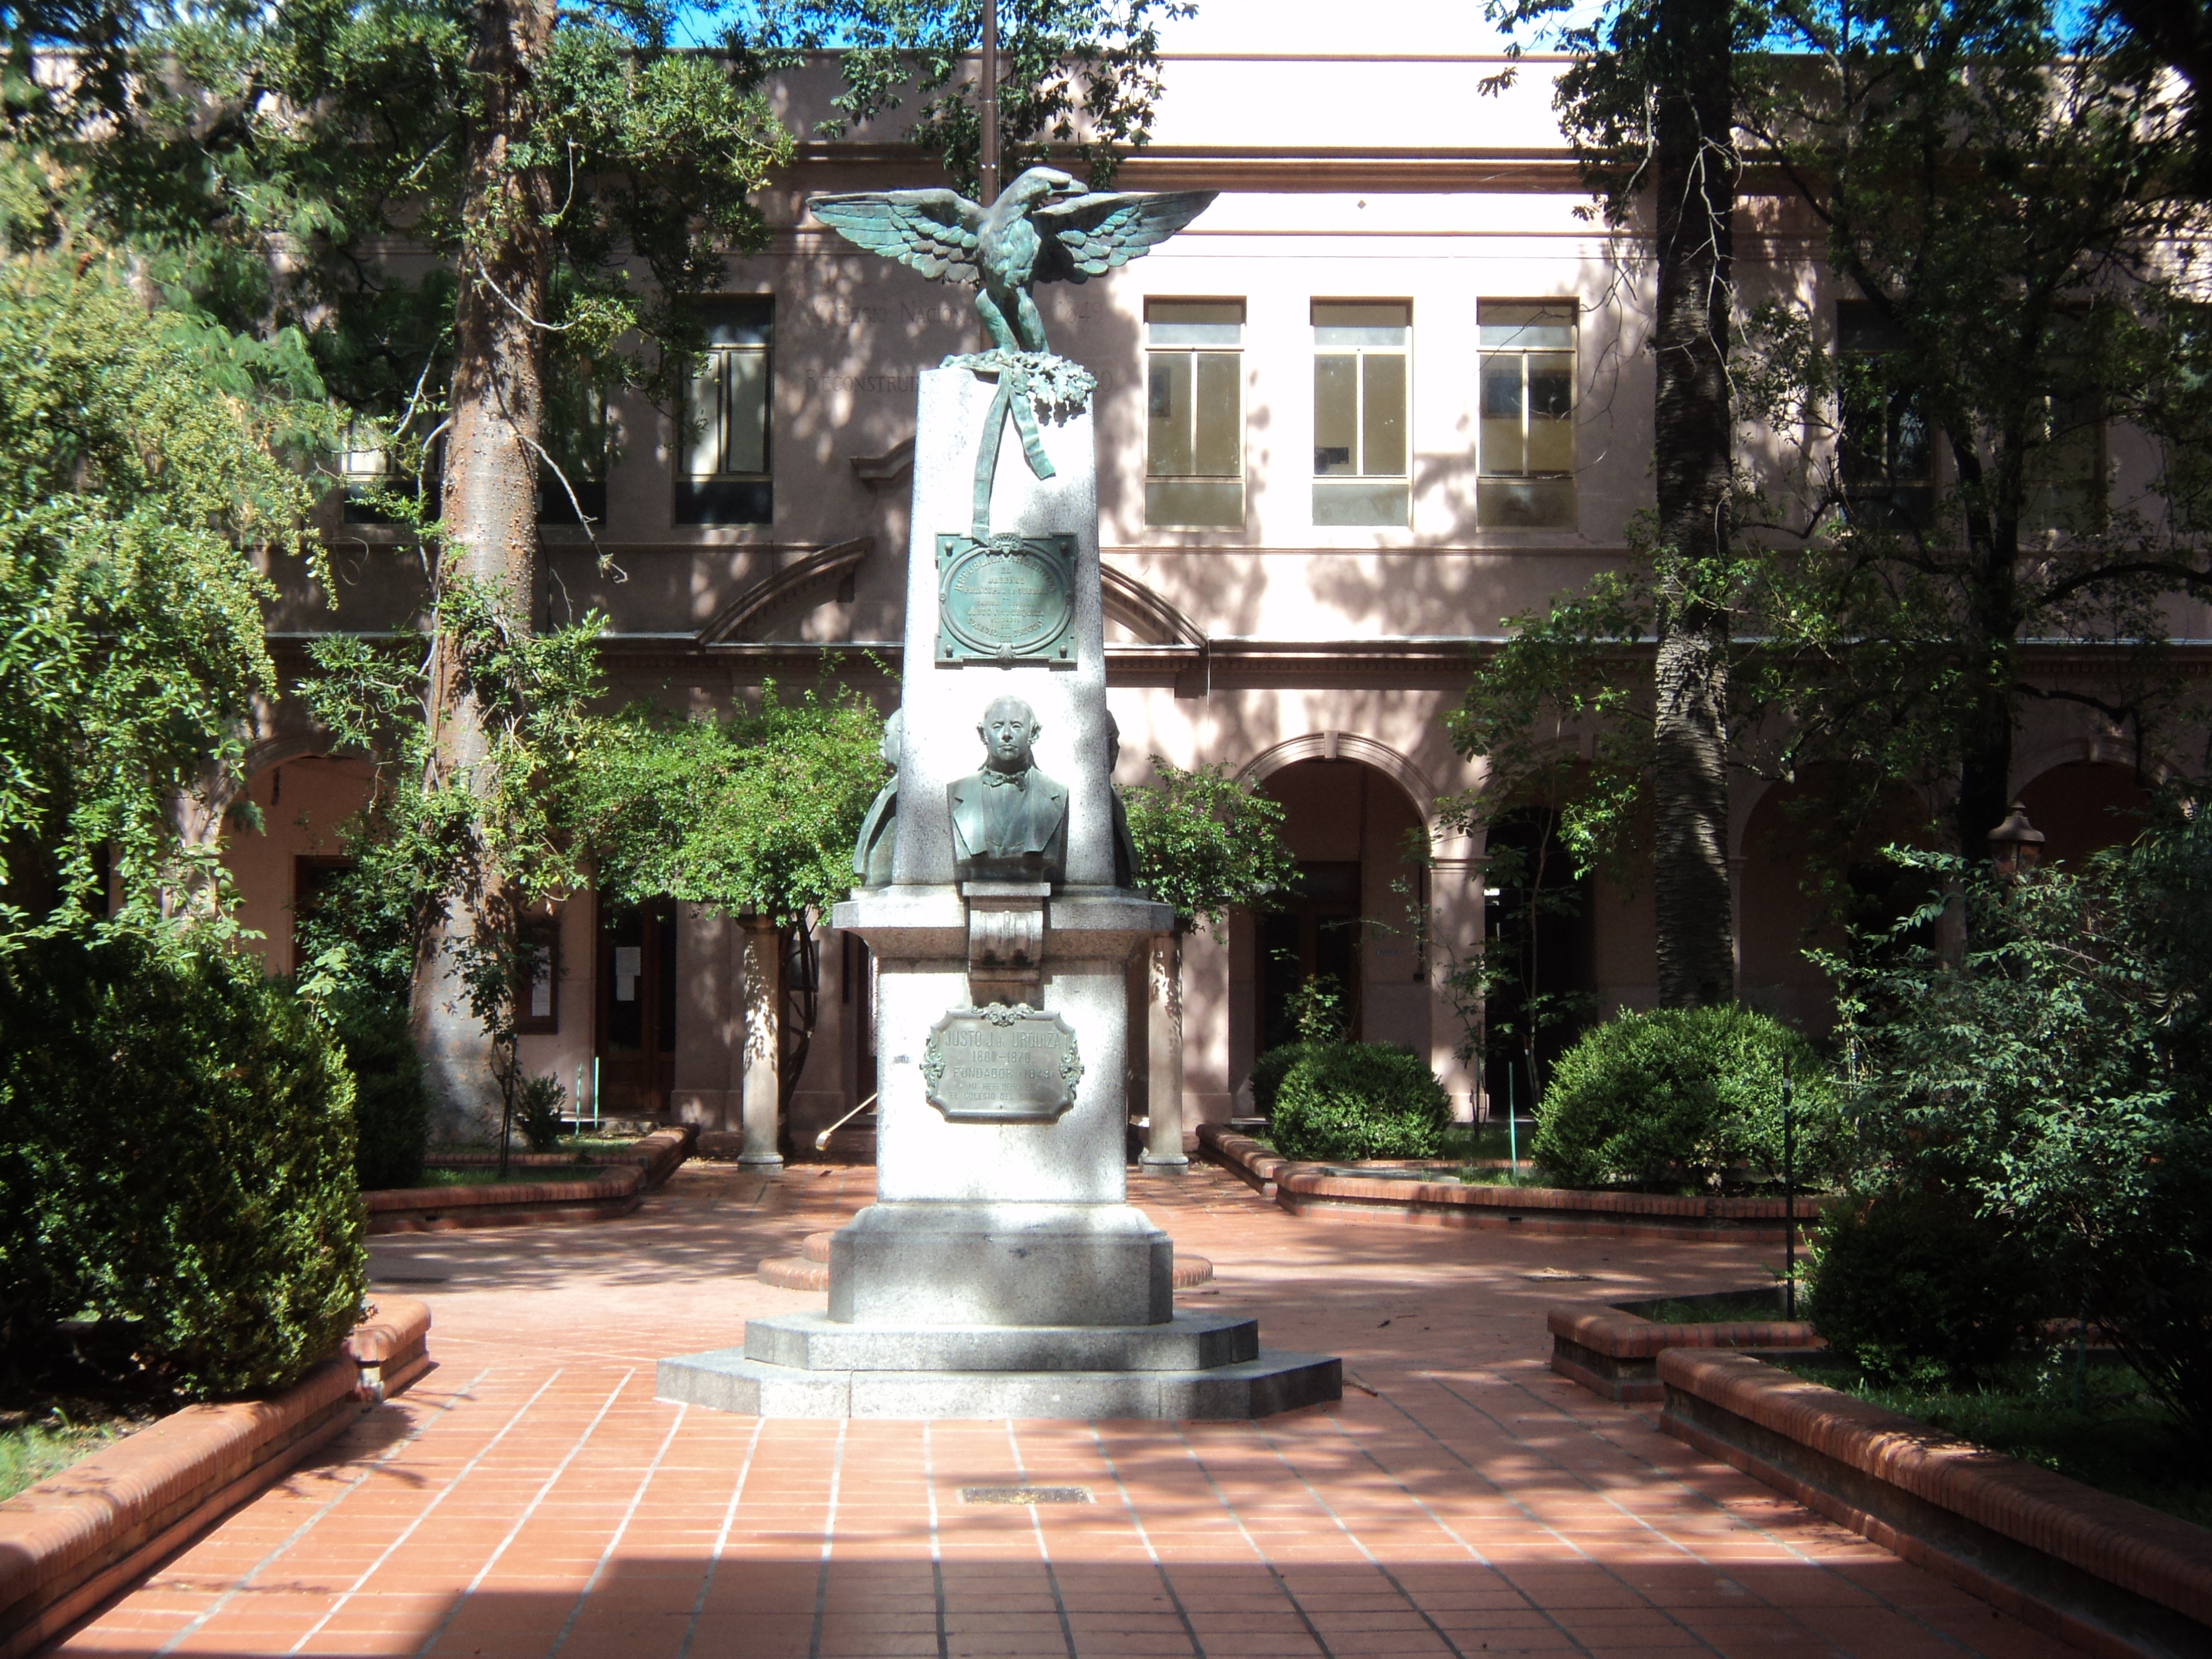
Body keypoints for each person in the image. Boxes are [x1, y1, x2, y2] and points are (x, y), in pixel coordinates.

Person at [946, 696, 1068, 883]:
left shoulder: (1056, 793)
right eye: (997, 726)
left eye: (1016, 726)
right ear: (983, 734)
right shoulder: (958, 792)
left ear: (1033, 734)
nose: (1006, 734)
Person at [851, 712, 902, 887]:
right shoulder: (891, 788)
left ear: (904, 738)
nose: (881, 743)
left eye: (887, 735)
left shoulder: (900, 793)